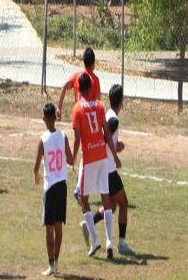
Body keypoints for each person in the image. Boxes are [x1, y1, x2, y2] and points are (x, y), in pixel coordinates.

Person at [71, 73, 121, 259]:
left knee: (83, 199)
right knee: (106, 198)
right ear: (91, 88)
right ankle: (109, 242)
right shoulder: (99, 106)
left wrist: (73, 157)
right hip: (102, 156)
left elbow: (77, 138)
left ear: (78, 89)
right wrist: (115, 156)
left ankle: (95, 240)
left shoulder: (77, 108)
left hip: (90, 158)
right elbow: (107, 133)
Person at [90, 85, 134, 256]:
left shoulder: (108, 114)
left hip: (104, 169)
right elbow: (103, 139)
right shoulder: (114, 120)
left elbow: (107, 140)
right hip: (109, 170)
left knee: (112, 206)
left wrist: (116, 145)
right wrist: (115, 151)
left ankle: (88, 223)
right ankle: (121, 243)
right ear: (121, 101)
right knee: (124, 203)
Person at [33, 103, 74, 276]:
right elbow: (70, 159)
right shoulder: (63, 136)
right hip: (62, 185)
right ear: (55, 118)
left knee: (49, 228)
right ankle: (56, 260)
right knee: (58, 226)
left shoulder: (43, 140)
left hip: (50, 187)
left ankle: (51, 265)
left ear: (44, 119)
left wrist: (36, 175)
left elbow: (36, 165)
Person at [56, 47, 101, 121]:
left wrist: (59, 108)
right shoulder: (95, 80)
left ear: (84, 61)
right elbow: (97, 102)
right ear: (93, 63)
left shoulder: (77, 75)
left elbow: (64, 87)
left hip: (78, 112)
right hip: (89, 116)